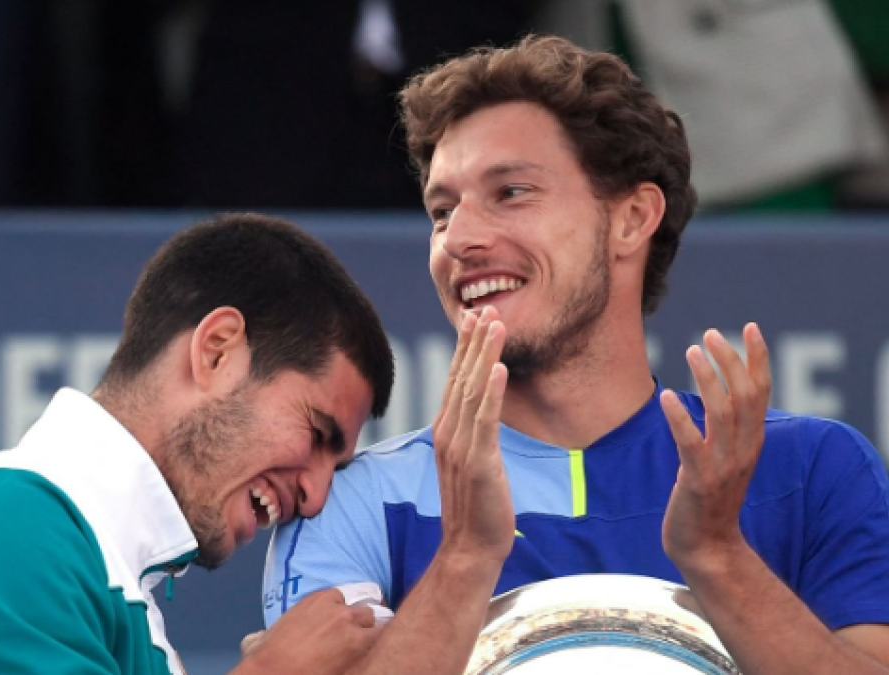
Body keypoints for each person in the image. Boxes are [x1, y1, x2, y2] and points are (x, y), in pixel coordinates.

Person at [263, 36, 889, 674]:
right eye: (442, 212)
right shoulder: (356, 501)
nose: (460, 239)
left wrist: (719, 558)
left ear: (632, 218)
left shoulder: (811, 470)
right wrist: (464, 557)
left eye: (511, 192)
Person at [0, 212, 514, 675]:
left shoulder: (109, 578)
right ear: (218, 350)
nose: (315, 494)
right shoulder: (0, 522)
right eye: (317, 433)